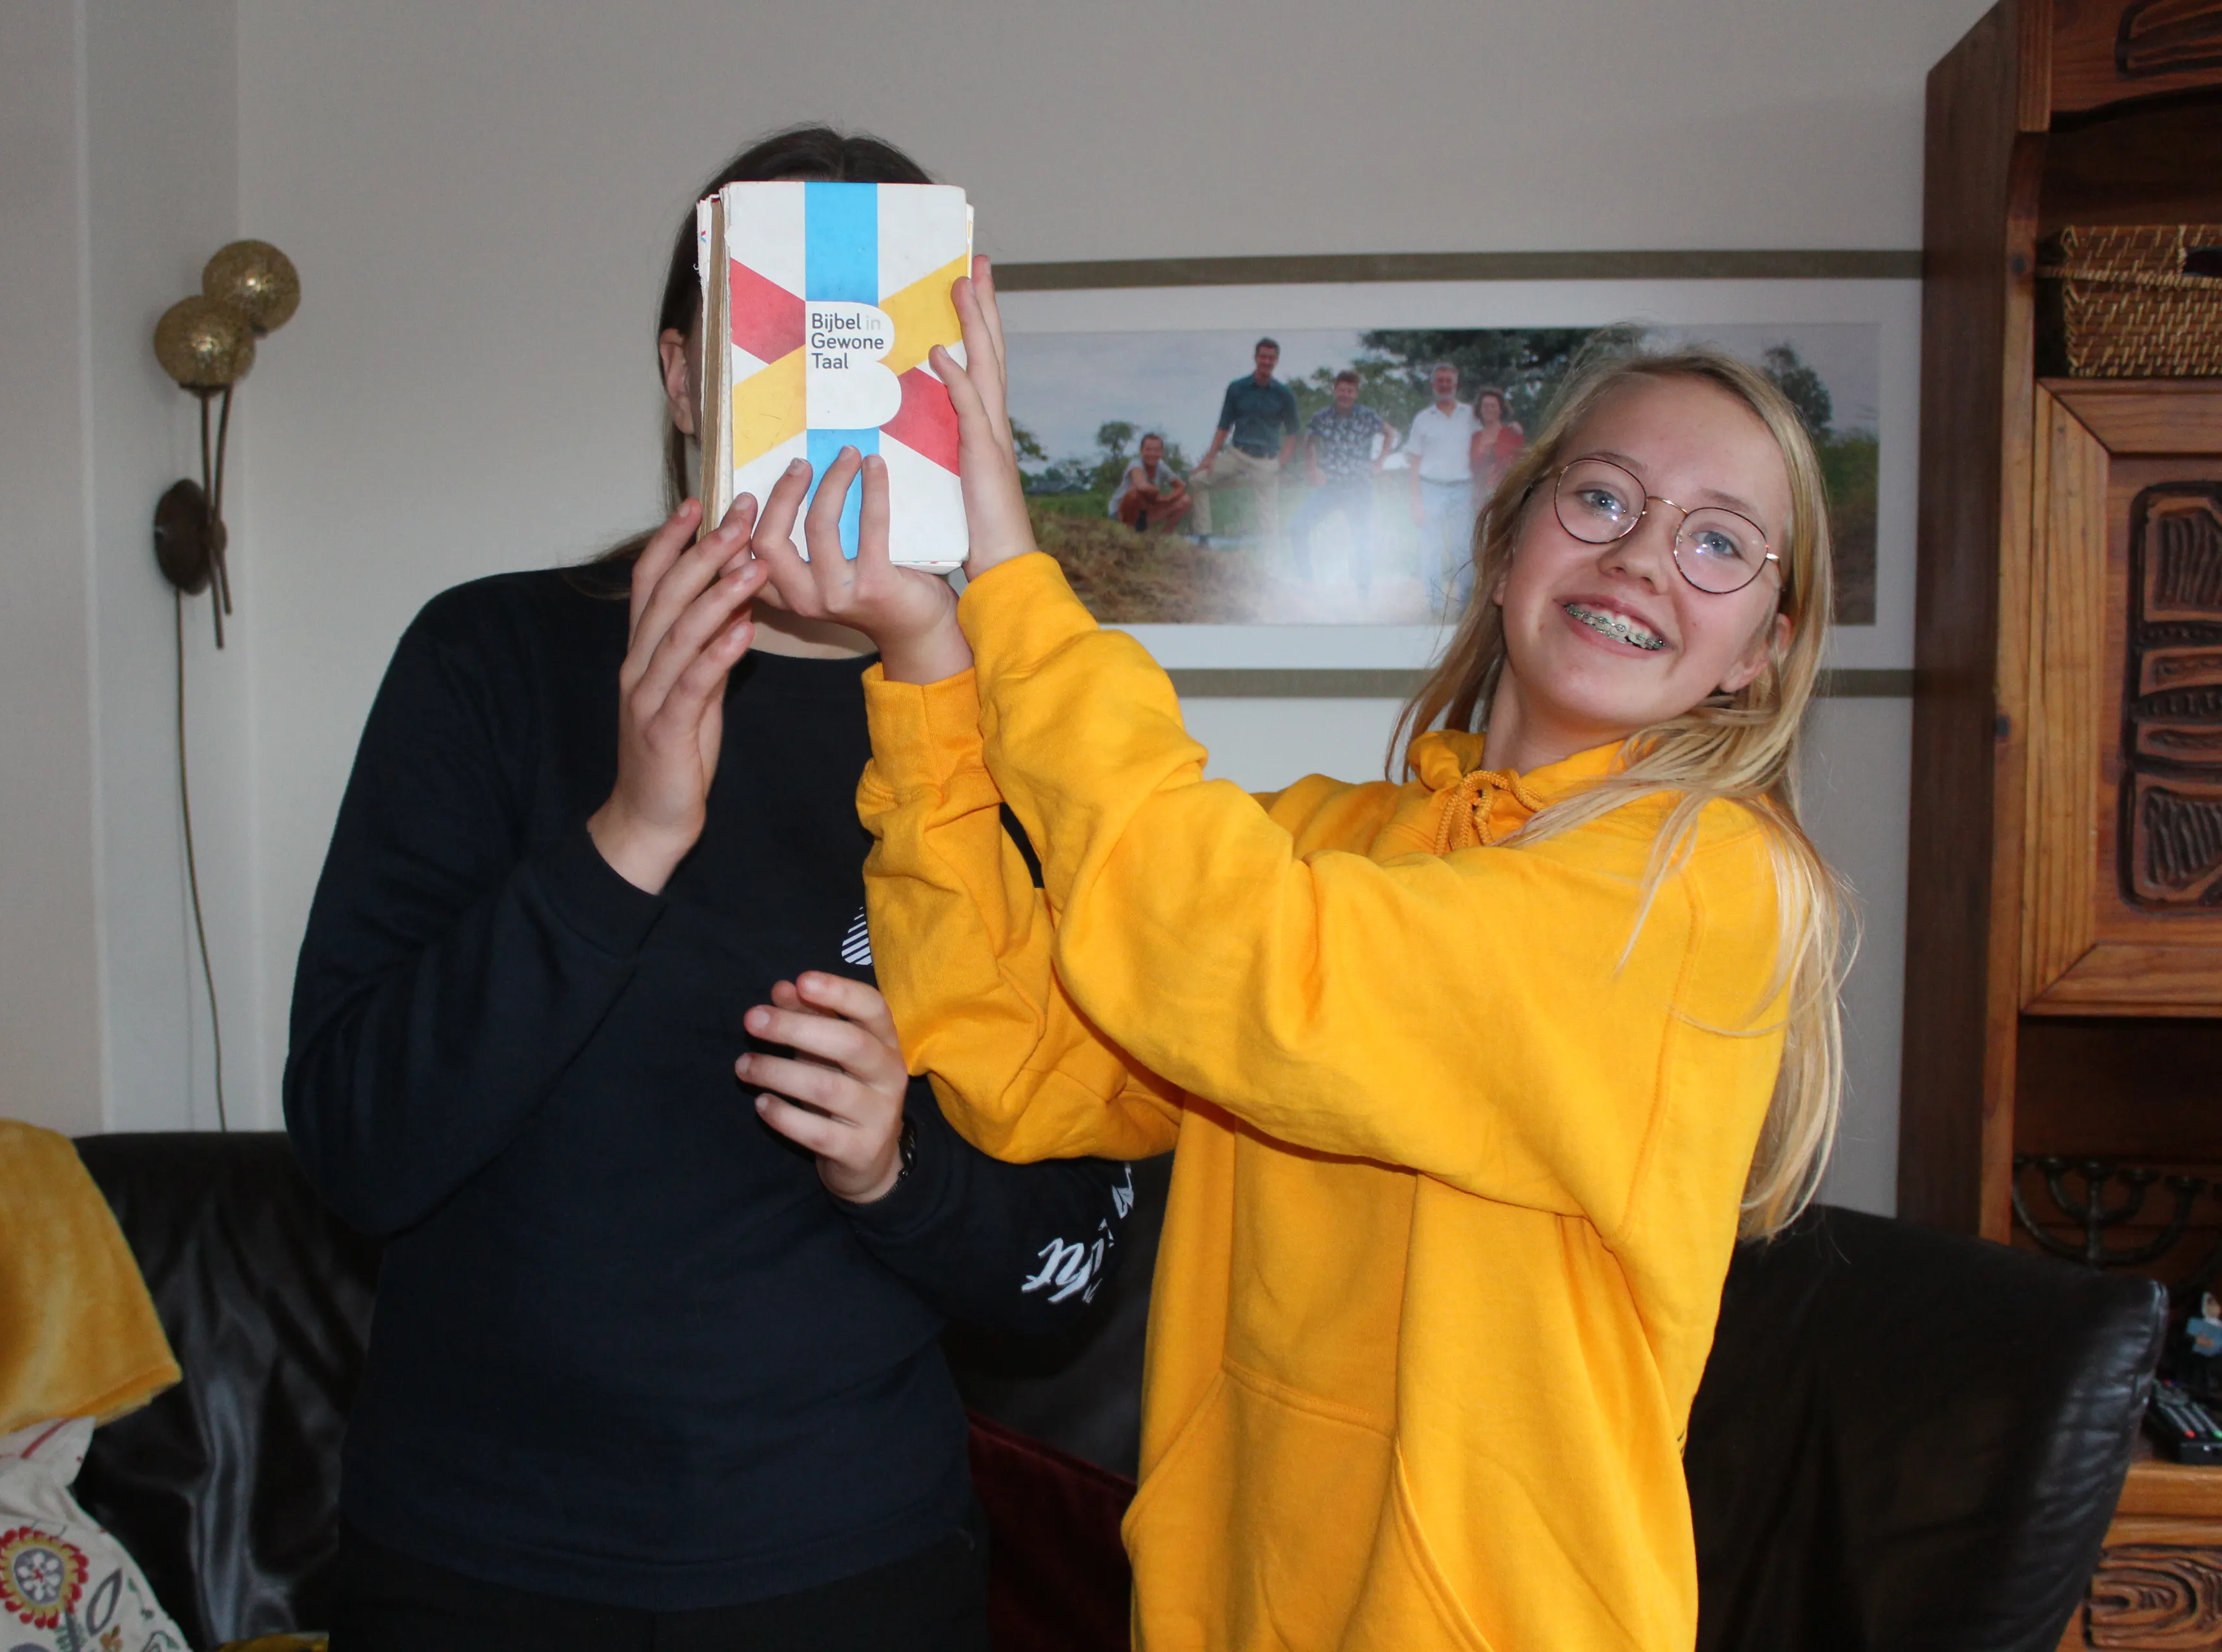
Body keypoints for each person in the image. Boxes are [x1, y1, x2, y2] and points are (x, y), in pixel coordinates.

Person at [758, 260, 1849, 1651]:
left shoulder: (1703, 885)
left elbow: (1255, 964)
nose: (1641, 556)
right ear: (1509, 539)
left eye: (1720, 542)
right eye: (1603, 498)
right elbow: (1021, 1062)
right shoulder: (1329, 839)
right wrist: (926, 652)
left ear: (1764, 649)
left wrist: (1013, 583)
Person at [282, 128, 1143, 1652]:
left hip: (850, 1567)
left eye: (897, 371)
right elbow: (358, 1148)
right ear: (686, 381)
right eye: (787, 359)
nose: (841, 422)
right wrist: (627, 834)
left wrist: (898, 1168)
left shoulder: (1036, 737)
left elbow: (1065, 1281)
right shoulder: (488, 661)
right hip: (469, 1561)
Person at [1186, 337, 1300, 549]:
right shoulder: (1237, 388)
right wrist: (1210, 457)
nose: (1266, 361)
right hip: (1237, 454)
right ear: (1256, 358)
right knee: (1198, 480)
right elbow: (1224, 425)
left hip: (1266, 460)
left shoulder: (1284, 394)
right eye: (1263, 356)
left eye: (1271, 358)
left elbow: (1293, 433)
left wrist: (1281, 463)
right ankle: (1204, 539)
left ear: (1276, 361)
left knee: (1269, 519)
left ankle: (1271, 563)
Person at [1289, 368, 1389, 587]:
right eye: (1342, 390)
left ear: (1356, 394)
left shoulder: (1367, 415)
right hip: (1331, 486)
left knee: (1363, 539)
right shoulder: (1322, 416)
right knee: (1298, 527)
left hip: (1359, 487)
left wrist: (1380, 460)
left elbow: (1389, 433)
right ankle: (1308, 582)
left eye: (1350, 391)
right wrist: (1312, 469)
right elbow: (1309, 443)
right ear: (1335, 391)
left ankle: (1363, 593)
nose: (1346, 395)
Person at [1397, 361, 1480, 614]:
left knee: (1463, 547)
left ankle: (1466, 604)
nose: (1445, 385)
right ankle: (1434, 604)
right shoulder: (1423, 419)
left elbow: (1489, 440)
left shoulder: (1471, 415)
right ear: (1434, 385)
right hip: (1430, 488)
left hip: (1464, 488)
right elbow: (1414, 461)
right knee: (1431, 548)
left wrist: (1513, 428)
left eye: (1449, 381)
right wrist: (1416, 501)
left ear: (1456, 385)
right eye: (1440, 381)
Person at [1107, 430, 1189, 532]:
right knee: (1134, 495)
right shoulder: (1136, 464)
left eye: (1156, 450)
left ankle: (1165, 535)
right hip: (1121, 512)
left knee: (1185, 500)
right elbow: (1141, 486)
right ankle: (1128, 530)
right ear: (1141, 451)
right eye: (1148, 450)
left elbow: (1181, 486)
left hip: (1146, 511)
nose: (1152, 454)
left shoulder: (1161, 466)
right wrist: (1158, 495)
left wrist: (1169, 498)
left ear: (1162, 452)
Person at [1469, 383, 1526, 504]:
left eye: (1493, 406)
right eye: (1485, 406)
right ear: (1479, 409)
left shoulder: (1512, 433)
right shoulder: (1475, 437)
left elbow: (1521, 465)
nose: (1489, 409)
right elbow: (1473, 469)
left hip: (1506, 495)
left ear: (1500, 409)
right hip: (1480, 498)